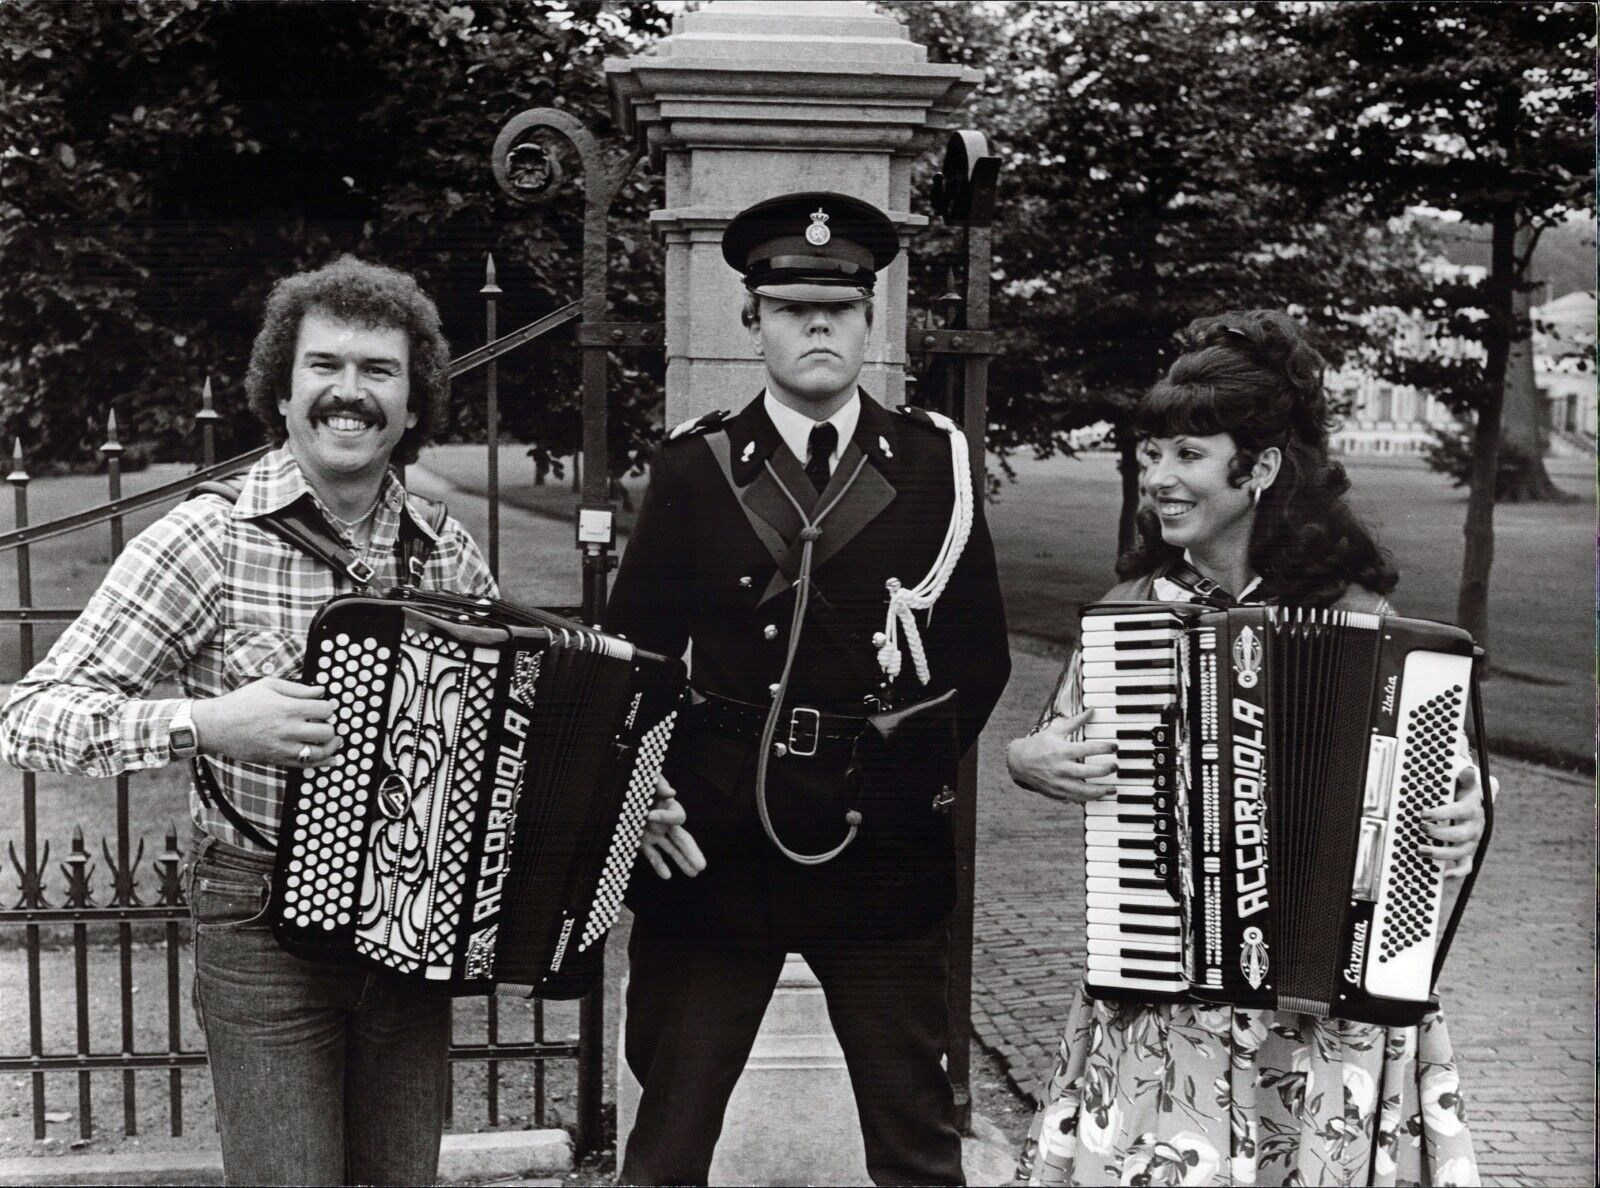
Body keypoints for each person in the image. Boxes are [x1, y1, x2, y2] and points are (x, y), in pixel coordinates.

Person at [0, 256, 698, 1185]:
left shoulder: (442, 551)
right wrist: (208, 723)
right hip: (259, 923)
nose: (350, 393)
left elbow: (517, 728)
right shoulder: (205, 538)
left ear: (413, 408)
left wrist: (616, 798)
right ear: (281, 393)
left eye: (380, 372)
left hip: (414, 919)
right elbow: (30, 717)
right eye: (325, 366)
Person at [1008, 310, 1491, 1188]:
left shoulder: (1363, 620)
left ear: (1260, 468)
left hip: (1329, 1009)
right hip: (1165, 987)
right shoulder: (1132, 614)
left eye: (1187, 455)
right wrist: (1027, 760)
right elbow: (1054, 736)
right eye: (1151, 454)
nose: (1157, 478)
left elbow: (1456, 782)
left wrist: (1470, 813)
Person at [604, 191, 1012, 1186]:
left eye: (839, 307)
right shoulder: (696, 465)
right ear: (753, 323)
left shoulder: (934, 465)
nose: (817, 325)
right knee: (668, 1143)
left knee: (918, 1146)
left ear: (871, 320)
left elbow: (979, 655)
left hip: (878, 843)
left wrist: (903, 778)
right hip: (717, 835)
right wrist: (645, 792)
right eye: (790, 308)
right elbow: (634, 655)